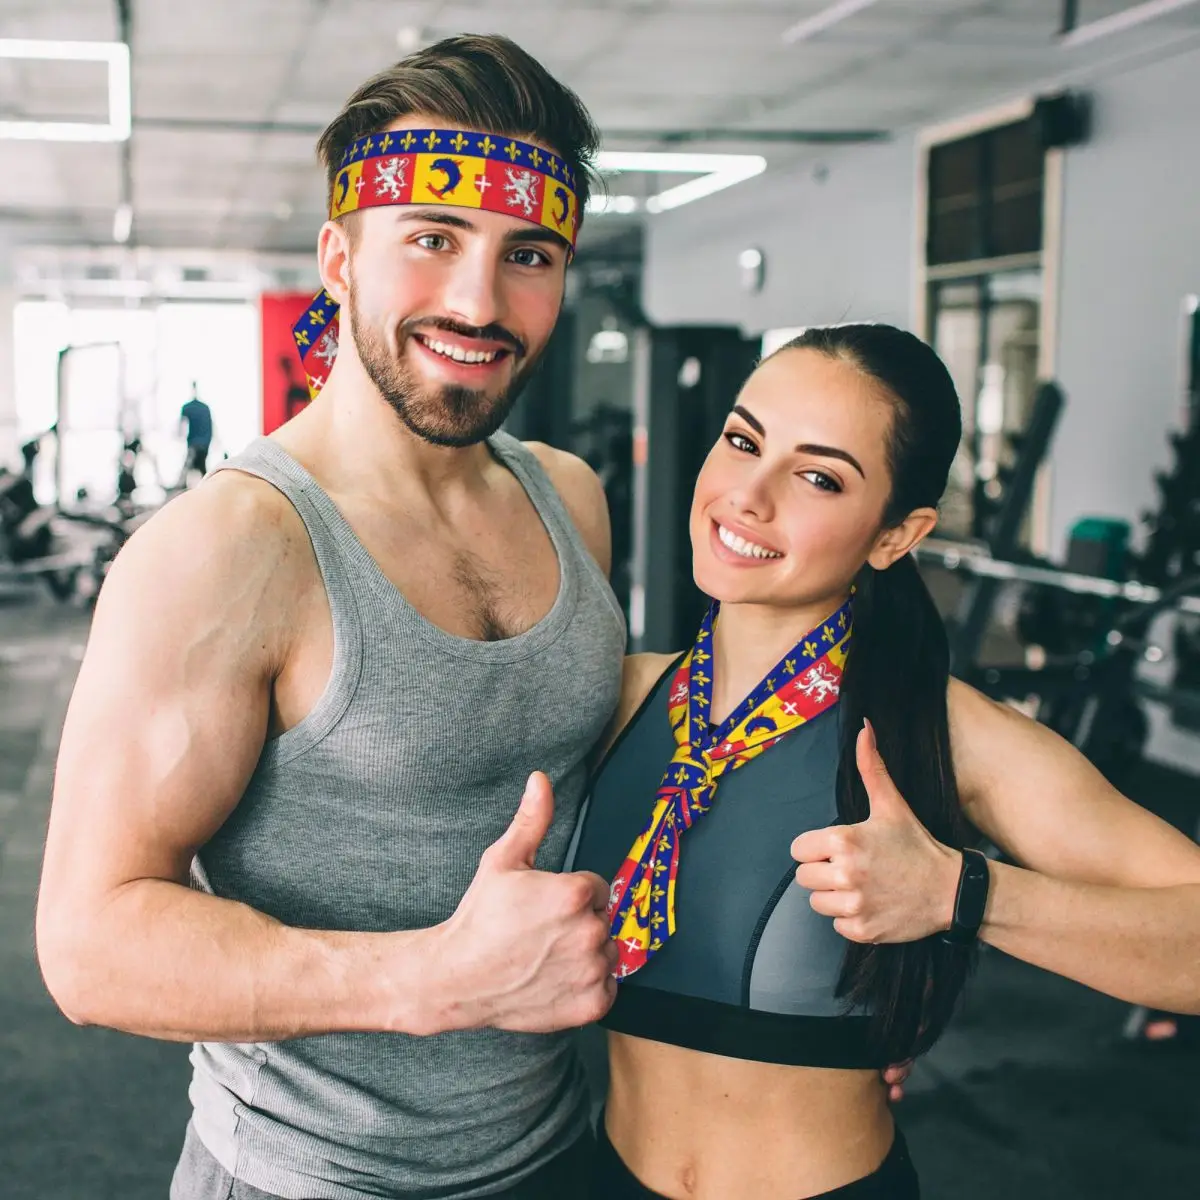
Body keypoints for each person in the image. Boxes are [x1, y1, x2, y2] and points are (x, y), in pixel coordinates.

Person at [36, 36, 628, 1200]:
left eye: (529, 255)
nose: (478, 300)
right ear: (338, 258)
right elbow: (90, 944)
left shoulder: (570, 498)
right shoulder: (227, 550)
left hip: (562, 1149)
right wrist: (435, 981)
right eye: (432, 240)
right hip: (311, 1179)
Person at [570, 323, 1200, 1199]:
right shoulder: (620, 699)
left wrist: (961, 894)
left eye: (819, 476)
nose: (748, 496)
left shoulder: (941, 731)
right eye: (744, 441)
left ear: (897, 535)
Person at [179, 382, 214, 484]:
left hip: (194, 444)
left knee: (188, 470)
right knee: (202, 470)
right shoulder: (205, 408)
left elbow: (182, 427)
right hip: (204, 443)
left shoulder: (187, 407)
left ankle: (181, 491)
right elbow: (211, 426)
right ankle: (206, 489)